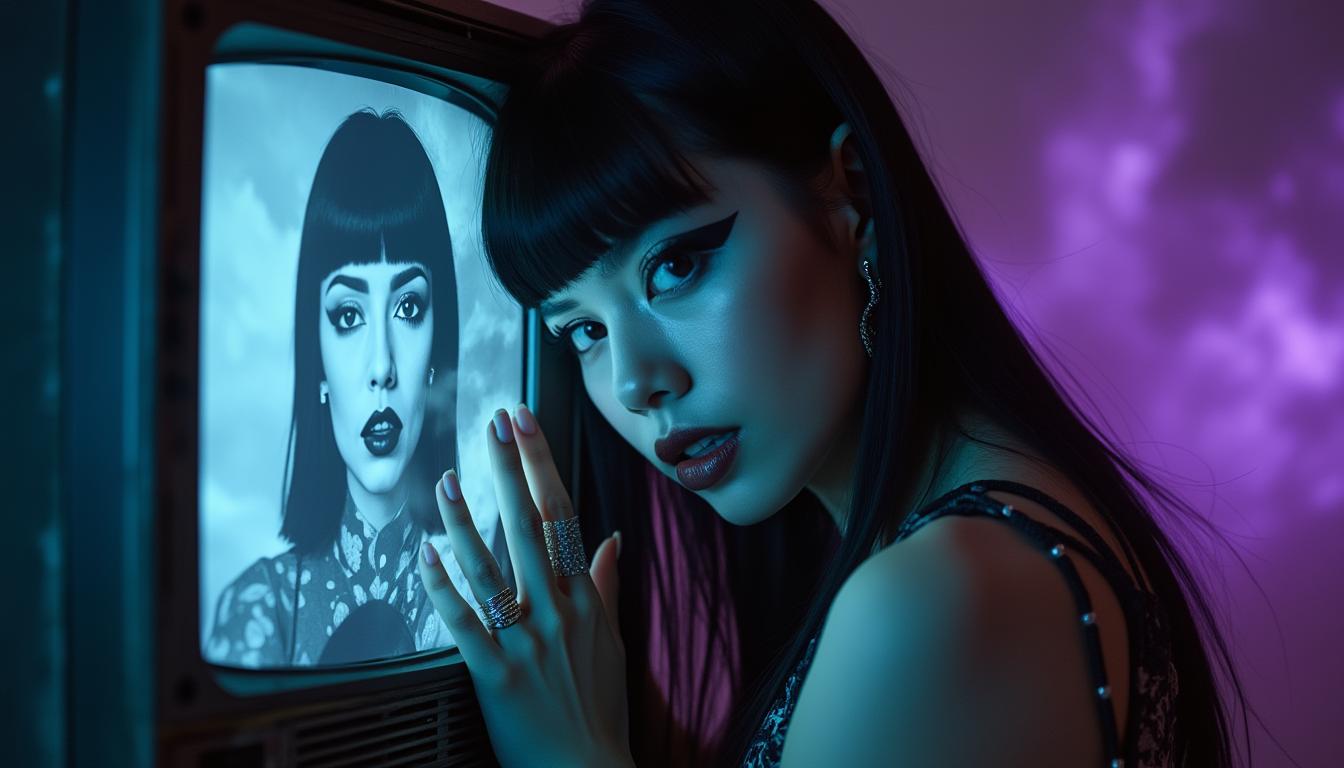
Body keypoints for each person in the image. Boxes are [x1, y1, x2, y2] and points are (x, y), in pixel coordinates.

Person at [413, 0, 1248, 766]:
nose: (635, 383)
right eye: (583, 331)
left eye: (674, 267)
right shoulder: (979, 541)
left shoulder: (935, 601)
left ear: (850, 193)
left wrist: (570, 756)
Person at [206, 109, 458, 668]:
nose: (381, 366)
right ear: (316, 357)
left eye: (408, 307)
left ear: (438, 347)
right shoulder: (261, 612)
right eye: (348, 315)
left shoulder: (485, 587)